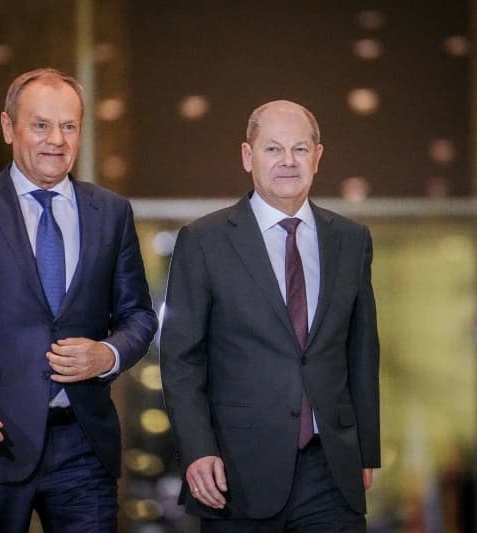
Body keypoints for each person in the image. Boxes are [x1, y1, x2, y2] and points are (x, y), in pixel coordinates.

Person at [0, 67, 158, 533]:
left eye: (69, 126)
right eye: (40, 125)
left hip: (84, 444)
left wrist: (109, 353)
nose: (56, 139)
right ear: (8, 127)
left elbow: (138, 313)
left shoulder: (112, 212)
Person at [160, 100, 380, 532]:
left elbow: (362, 353)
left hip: (331, 469)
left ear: (318, 157)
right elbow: (181, 359)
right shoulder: (203, 241)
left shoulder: (352, 241)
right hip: (236, 469)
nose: (287, 162)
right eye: (273, 149)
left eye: (300, 149)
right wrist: (197, 449)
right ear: (247, 156)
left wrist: (365, 451)